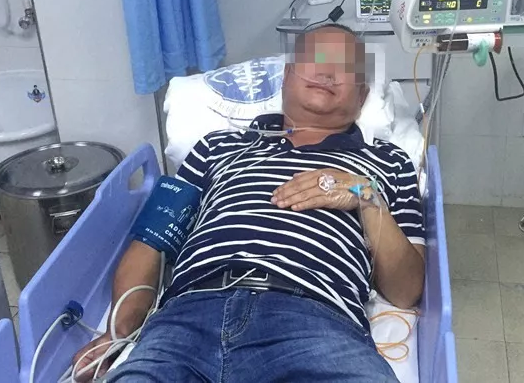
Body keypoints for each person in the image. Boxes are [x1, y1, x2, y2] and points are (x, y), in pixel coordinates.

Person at [72, 24, 425, 382]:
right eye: (315, 58)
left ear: (362, 95)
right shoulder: (215, 147)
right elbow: (152, 240)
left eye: (346, 67)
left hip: (315, 323)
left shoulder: (387, 162)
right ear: (287, 76)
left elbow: (406, 291)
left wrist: (364, 195)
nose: (327, 71)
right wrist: (116, 332)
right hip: (187, 320)